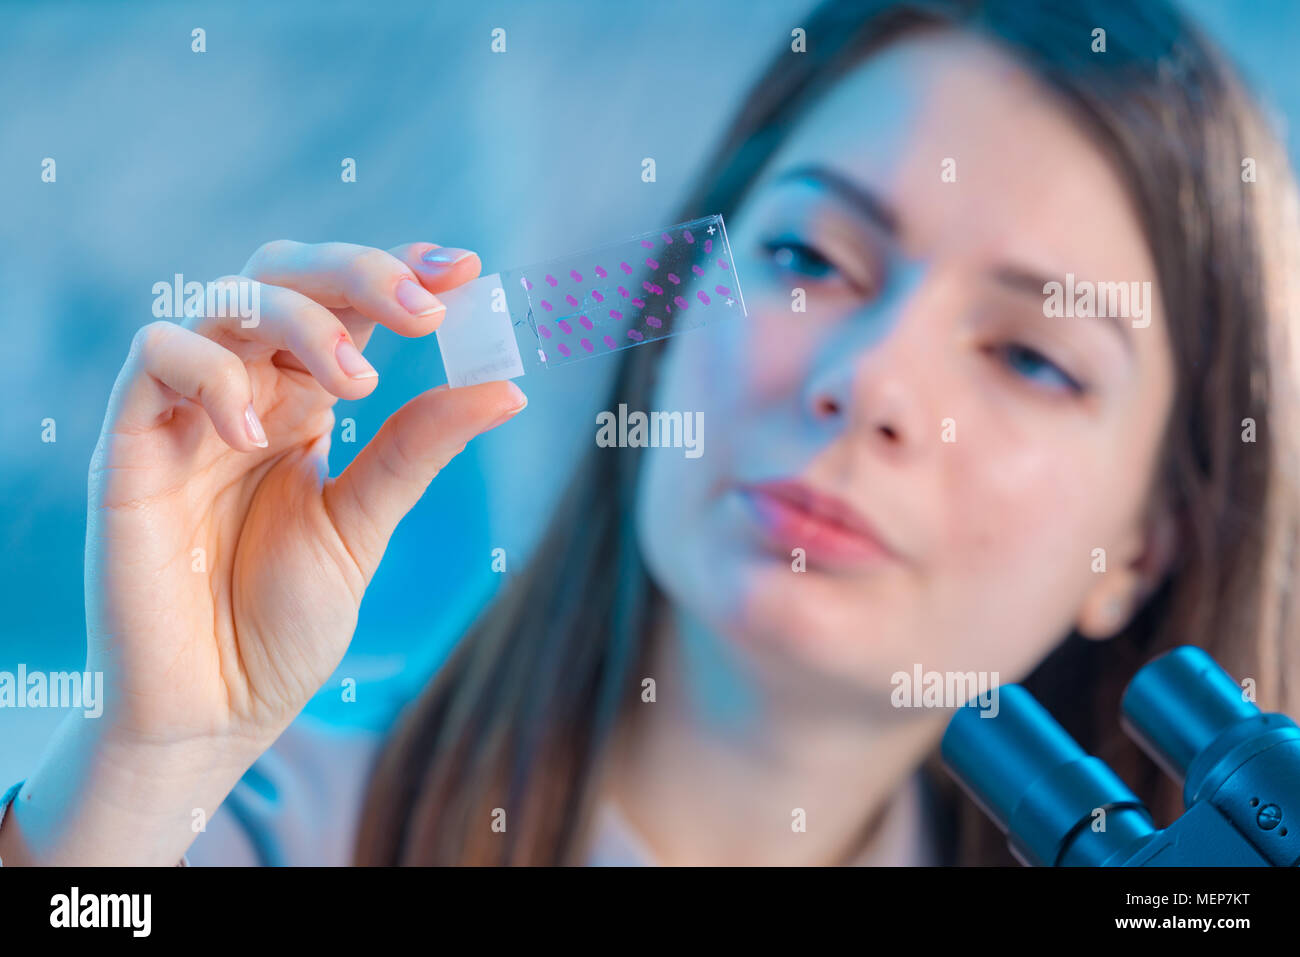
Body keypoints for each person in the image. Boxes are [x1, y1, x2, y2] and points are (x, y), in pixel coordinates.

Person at [2, 0, 1298, 867]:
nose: (871, 380)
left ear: (1141, 543)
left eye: (1030, 353)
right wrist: (139, 770)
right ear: (671, 316)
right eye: (807, 253)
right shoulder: (255, 833)